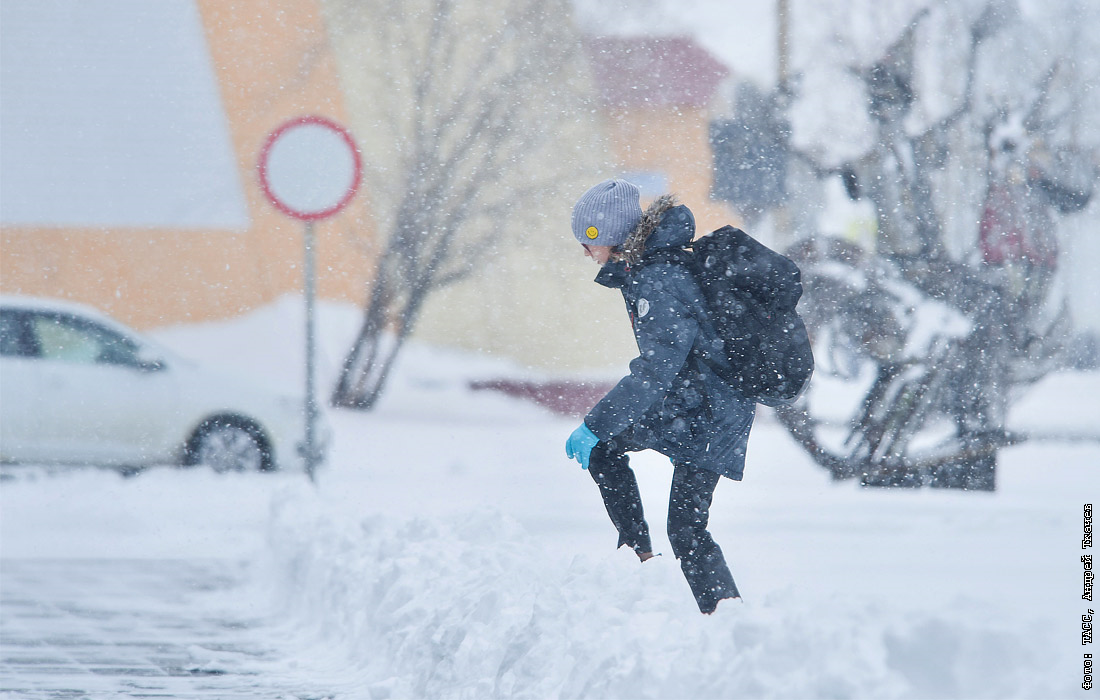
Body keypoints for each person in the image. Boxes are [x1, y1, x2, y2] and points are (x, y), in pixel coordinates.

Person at [564, 179, 756, 614]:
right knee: (605, 450)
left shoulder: (657, 278)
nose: (583, 251)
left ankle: (729, 621)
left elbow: (656, 370)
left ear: (607, 237)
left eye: (586, 240)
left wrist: (595, 423)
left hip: (712, 410)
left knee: (687, 528)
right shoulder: (647, 270)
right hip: (690, 403)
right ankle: (639, 562)